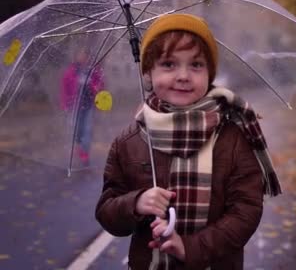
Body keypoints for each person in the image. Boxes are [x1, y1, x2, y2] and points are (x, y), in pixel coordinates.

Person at [95, 14, 281, 270]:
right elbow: (107, 212)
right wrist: (136, 202)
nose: (183, 75)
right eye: (169, 64)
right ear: (148, 71)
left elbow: (246, 211)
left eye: (196, 65)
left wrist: (189, 247)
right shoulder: (129, 141)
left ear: (209, 73)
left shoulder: (232, 137)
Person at [60, 50, 104, 166]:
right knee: (77, 130)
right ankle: (80, 147)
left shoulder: (93, 70)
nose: (83, 58)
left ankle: (85, 153)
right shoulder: (71, 72)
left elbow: (100, 84)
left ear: (88, 57)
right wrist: (65, 105)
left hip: (89, 105)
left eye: (85, 56)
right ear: (76, 57)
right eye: (80, 56)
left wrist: (92, 84)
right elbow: (64, 89)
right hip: (75, 106)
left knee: (87, 130)